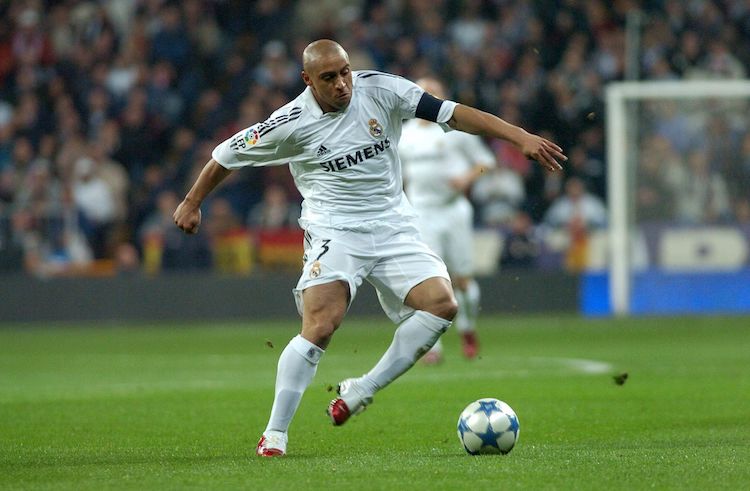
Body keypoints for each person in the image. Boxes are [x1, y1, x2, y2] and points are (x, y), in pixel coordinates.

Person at [173, 40, 566, 457]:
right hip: (335, 230)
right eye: (329, 78)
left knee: (442, 304)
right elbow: (225, 156)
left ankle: (362, 389)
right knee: (321, 325)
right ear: (308, 80)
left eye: (345, 72)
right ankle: (275, 433)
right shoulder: (289, 122)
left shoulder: (382, 89)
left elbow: (451, 112)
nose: (342, 84)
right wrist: (192, 202)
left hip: (394, 226)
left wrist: (519, 136)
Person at [398, 77, 495, 363]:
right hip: (421, 212)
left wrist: (466, 178)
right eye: (423, 93)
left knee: (462, 280)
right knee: (429, 279)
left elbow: (486, 163)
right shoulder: (404, 133)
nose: (428, 98)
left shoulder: (455, 129)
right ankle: (433, 346)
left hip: (453, 211)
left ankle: (467, 328)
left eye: (434, 93)